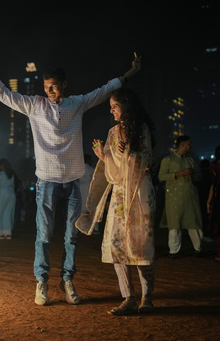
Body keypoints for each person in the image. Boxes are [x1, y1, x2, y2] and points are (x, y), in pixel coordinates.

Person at [0, 40, 141, 306]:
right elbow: (4, 93)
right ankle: (41, 283)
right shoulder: (34, 105)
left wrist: (131, 73)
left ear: (64, 84)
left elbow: (105, 90)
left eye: (53, 86)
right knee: (43, 235)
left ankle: (68, 281)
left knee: (71, 236)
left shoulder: (77, 103)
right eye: (45, 87)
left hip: (73, 182)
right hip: (46, 183)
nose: (49, 91)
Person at [77, 88, 156, 315]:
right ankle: (129, 297)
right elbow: (113, 172)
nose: (111, 110)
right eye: (110, 106)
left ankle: (146, 298)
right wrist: (105, 156)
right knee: (116, 245)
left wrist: (129, 152)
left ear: (126, 106)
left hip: (139, 192)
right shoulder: (112, 132)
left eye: (114, 106)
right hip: (120, 194)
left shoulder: (141, 130)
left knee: (141, 244)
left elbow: (147, 159)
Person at [158, 135, 203, 258]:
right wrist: (178, 174)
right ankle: (174, 251)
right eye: (188, 144)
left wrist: (193, 174)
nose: (190, 146)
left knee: (193, 223)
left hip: (190, 197)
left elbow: (199, 177)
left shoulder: (191, 160)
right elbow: (161, 176)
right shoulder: (169, 160)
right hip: (174, 198)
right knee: (175, 225)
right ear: (182, 145)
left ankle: (198, 249)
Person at [0, 159, 17, 240]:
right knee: (8, 213)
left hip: (2, 193)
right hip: (11, 193)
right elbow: (13, 185)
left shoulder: (0, 174)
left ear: (1, 165)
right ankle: (8, 233)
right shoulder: (11, 174)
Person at [79, 154, 97, 233]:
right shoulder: (91, 169)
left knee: (81, 212)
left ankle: (80, 228)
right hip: (90, 191)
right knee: (92, 212)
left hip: (81, 191)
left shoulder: (80, 169)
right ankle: (94, 229)